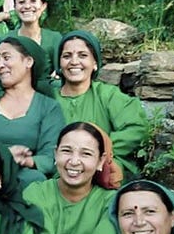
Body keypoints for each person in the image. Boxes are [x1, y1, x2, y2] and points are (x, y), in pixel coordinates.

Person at [0, 36, 63, 187]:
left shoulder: (48, 107)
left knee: (35, 180)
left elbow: (50, 156)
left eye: (6, 58)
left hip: (26, 178)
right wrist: (4, 155)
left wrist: (27, 160)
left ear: (28, 61)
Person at [55, 30, 147, 177]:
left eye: (82, 55)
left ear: (95, 63)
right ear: (59, 63)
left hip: (100, 172)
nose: (74, 61)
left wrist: (96, 153)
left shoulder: (108, 95)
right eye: (67, 56)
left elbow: (136, 128)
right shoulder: (47, 99)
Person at [2, 0, 60, 77]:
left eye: (33, 1)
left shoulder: (54, 38)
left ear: (43, 6)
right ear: (15, 7)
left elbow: (60, 72)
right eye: (21, 2)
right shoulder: (6, 39)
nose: (27, 6)